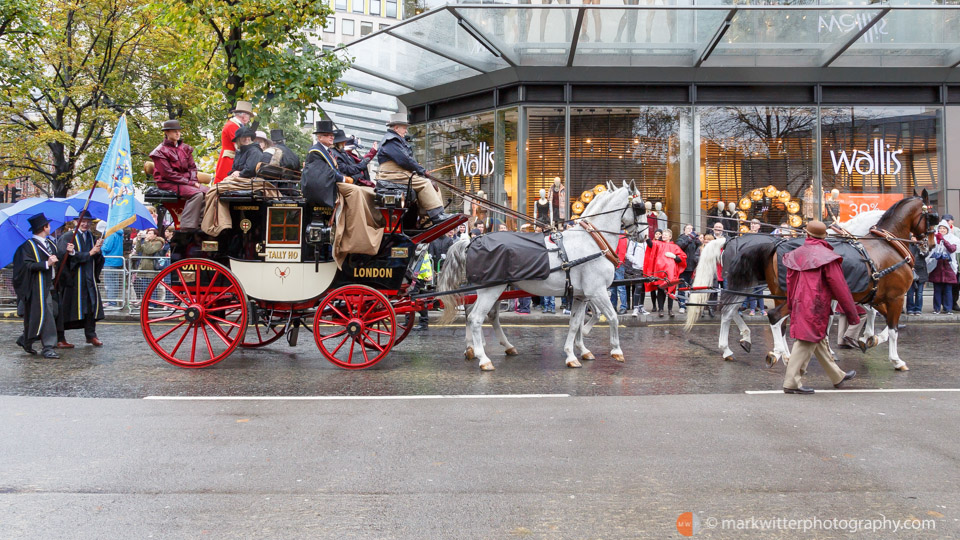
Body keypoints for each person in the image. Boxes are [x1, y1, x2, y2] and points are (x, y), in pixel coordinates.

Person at [781, 220, 858, 394]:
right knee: (805, 340)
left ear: (807, 235)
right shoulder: (827, 257)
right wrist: (852, 315)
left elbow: (790, 283)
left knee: (818, 338)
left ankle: (837, 376)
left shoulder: (796, 254)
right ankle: (791, 382)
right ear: (824, 237)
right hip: (816, 305)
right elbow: (841, 288)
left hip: (800, 303)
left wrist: (792, 305)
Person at [377, 113, 456, 228]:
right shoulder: (391, 141)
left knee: (432, 185)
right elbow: (405, 160)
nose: (406, 131)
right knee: (425, 183)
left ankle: (430, 218)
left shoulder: (395, 140)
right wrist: (422, 171)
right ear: (396, 127)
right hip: (393, 175)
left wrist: (421, 171)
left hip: (399, 173)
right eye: (404, 128)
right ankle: (436, 217)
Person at [13, 214, 61, 358]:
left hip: (51, 285)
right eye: (48, 225)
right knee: (46, 314)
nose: (50, 228)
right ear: (44, 227)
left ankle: (25, 338)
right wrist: (47, 264)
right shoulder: (28, 246)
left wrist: (69, 252)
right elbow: (26, 266)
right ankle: (48, 346)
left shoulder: (50, 244)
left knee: (53, 312)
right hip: (37, 287)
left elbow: (59, 258)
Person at [55, 211, 105, 347]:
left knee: (90, 308)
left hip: (88, 280)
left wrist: (98, 251)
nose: (85, 224)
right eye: (82, 221)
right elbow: (61, 257)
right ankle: (60, 337)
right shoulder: (67, 237)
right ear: (76, 222)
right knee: (65, 309)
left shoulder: (92, 237)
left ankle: (91, 335)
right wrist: (82, 254)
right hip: (72, 280)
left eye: (88, 221)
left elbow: (97, 258)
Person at [149, 119, 207, 232]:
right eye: (174, 131)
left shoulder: (185, 148)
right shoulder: (159, 151)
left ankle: (201, 222)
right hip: (168, 183)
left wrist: (193, 180)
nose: (177, 133)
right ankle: (187, 226)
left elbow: (193, 168)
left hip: (184, 182)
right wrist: (190, 182)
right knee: (197, 194)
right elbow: (168, 174)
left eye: (178, 131)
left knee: (211, 193)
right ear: (167, 133)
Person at [300, 120, 353, 208]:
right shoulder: (315, 152)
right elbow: (325, 173)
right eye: (327, 135)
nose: (331, 137)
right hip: (323, 190)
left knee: (360, 190)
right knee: (355, 192)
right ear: (319, 137)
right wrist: (344, 179)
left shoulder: (326, 150)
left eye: (332, 135)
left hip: (331, 185)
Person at [644, 228, 686, 318]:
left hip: (671, 272)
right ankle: (661, 309)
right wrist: (647, 238)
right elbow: (651, 244)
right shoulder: (658, 244)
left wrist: (674, 256)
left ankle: (670, 309)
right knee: (660, 290)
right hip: (660, 271)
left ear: (670, 237)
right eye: (663, 234)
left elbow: (681, 258)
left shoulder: (675, 247)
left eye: (665, 235)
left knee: (670, 290)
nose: (663, 236)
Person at [214, 100, 254, 183]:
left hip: (231, 159)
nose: (249, 119)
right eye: (249, 116)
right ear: (244, 116)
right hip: (230, 160)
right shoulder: (233, 126)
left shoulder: (234, 125)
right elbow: (240, 146)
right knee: (226, 185)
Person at [928, 221, 958, 314]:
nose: (942, 230)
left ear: (947, 230)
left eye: (944, 228)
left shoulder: (953, 239)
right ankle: (936, 309)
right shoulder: (933, 238)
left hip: (948, 268)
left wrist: (943, 241)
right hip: (937, 267)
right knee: (937, 290)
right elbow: (929, 249)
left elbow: (952, 249)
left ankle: (948, 308)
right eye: (940, 228)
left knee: (948, 290)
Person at [674, 224, 700, 314]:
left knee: (692, 289)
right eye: (688, 228)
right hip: (683, 267)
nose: (690, 230)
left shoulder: (694, 240)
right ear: (684, 230)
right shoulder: (681, 238)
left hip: (693, 267)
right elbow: (679, 246)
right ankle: (682, 306)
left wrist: (697, 239)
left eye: (692, 229)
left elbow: (700, 248)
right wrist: (689, 238)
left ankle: (691, 305)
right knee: (682, 288)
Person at [906, 233, 928, 315]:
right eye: (912, 237)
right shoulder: (907, 245)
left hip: (921, 271)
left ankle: (918, 309)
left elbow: (925, 254)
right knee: (910, 293)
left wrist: (919, 245)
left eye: (915, 237)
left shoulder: (922, 244)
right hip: (910, 270)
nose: (914, 238)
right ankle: (910, 309)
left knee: (919, 293)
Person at [609, 232, 629, 314]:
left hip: (617, 264)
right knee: (614, 288)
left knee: (619, 288)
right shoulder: (620, 236)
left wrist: (617, 264)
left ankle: (622, 306)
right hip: (615, 264)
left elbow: (622, 252)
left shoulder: (621, 236)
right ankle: (617, 306)